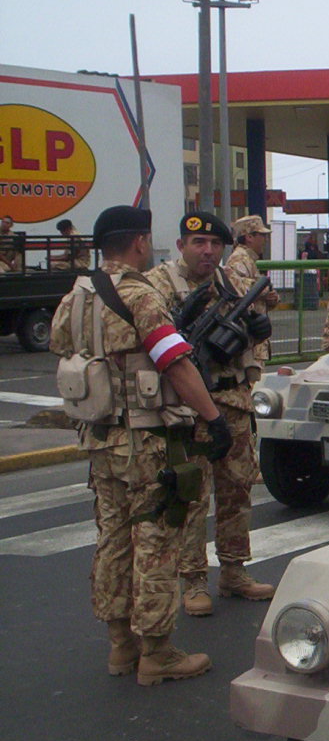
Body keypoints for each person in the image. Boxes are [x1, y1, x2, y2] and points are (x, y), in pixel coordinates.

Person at [49, 205, 232, 685]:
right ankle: (157, 651)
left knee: (111, 538)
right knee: (155, 537)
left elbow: (61, 349)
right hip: (145, 441)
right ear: (139, 243)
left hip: (99, 437)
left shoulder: (76, 296)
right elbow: (175, 361)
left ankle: (120, 646)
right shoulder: (138, 294)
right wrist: (213, 419)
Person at [147, 212, 275, 616]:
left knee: (237, 488)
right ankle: (194, 578)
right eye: (198, 243)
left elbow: (250, 334)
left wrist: (257, 328)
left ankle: (234, 570)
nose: (207, 251)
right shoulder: (158, 285)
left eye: (215, 245)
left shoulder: (230, 282)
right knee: (194, 495)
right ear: (182, 244)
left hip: (232, 400)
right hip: (187, 409)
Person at [228, 214, 281, 362]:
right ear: (249, 237)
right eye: (262, 235)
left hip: (253, 336)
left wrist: (271, 297)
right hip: (247, 338)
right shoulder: (239, 259)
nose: (265, 240)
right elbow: (237, 289)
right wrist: (264, 291)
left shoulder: (249, 259)